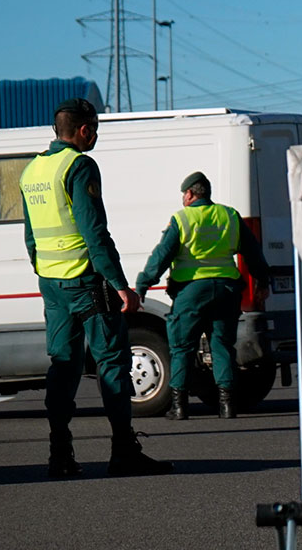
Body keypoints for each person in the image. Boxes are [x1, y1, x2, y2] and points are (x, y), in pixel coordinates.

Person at [19, 98, 172, 479]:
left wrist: (47, 271)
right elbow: (95, 233)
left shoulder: (33, 170)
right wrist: (120, 286)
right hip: (87, 280)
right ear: (84, 130)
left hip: (52, 282)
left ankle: (60, 454)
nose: (97, 135)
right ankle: (123, 451)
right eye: (96, 128)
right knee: (112, 364)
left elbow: (30, 237)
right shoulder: (80, 165)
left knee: (63, 364)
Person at [132, 171, 271, 421]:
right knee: (222, 346)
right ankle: (227, 406)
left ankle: (179, 407)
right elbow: (253, 252)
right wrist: (262, 280)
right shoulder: (229, 216)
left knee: (182, 347)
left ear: (189, 194)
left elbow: (161, 256)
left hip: (191, 293)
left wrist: (143, 284)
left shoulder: (182, 219)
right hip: (226, 290)